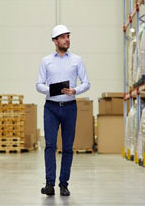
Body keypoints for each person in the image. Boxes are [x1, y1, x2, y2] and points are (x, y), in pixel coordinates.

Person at [36, 25, 90, 196]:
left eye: (68, 36)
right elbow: (38, 84)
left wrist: (75, 90)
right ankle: (49, 184)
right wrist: (52, 90)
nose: (67, 39)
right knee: (50, 145)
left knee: (67, 147)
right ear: (55, 41)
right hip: (51, 108)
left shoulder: (77, 60)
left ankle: (64, 184)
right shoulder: (46, 61)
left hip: (69, 108)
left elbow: (86, 82)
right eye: (63, 37)